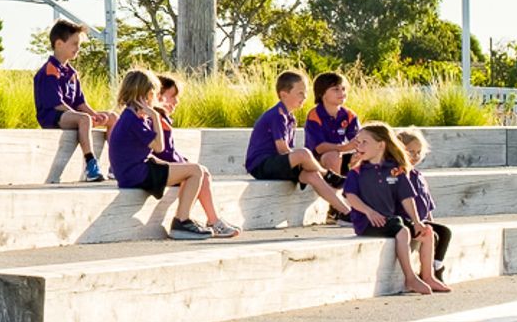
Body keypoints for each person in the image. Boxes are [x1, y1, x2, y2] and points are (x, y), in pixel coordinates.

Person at [108, 69, 239, 238]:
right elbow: (159, 147)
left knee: (198, 171)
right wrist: (155, 116)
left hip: (138, 169)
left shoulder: (135, 117)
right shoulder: (132, 119)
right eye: (153, 94)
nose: (156, 98)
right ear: (145, 95)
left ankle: (199, 220)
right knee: (196, 171)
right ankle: (181, 221)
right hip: (134, 174)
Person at [343, 122, 445, 294]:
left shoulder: (395, 170)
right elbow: (350, 196)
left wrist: (417, 222)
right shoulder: (357, 171)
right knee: (402, 230)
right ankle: (410, 278)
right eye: (358, 142)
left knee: (427, 232)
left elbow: (406, 198)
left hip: (389, 220)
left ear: (381, 145)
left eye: (364, 142)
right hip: (368, 222)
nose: (359, 146)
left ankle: (428, 276)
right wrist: (369, 211)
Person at [243, 69, 351, 217]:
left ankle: (345, 211)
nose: (305, 96)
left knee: (312, 175)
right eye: (300, 93)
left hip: (280, 164)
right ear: (284, 95)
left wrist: (304, 164)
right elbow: (283, 150)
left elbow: (289, 150)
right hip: (262, 165)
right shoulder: (277, 115)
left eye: (305, 93)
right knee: (304, 153)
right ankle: (329, 175)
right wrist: (303, 159)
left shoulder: (291, 118)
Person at [33, 19, 111, 182]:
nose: (78, 49)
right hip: (53, 116)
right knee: (84, 119)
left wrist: (95, 114)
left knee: (112, 117)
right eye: (74, 44)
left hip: (70, 114)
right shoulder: (50, 70)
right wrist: (85, 117)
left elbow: (80, 102)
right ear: (59, 44)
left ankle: (115, 165)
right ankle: (91, 165)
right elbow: (57, 104)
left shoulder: (72, 72)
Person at [393, 127, 454, 293]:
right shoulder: (398, 174)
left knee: (445, 232)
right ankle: (427, 274)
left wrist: (430, 219)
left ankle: (437, 266)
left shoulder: (418, 175)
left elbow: (426, 203)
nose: (415, 156)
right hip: (406, 219)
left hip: (421, 218)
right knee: (430, 234)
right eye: (410, 152)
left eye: (418, 152)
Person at [304, 72, 362, 177]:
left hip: (341, 155)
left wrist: (358, 153)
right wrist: (345, 147)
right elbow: (319, 148)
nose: (342, 93)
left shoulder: (349, 115)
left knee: (363, 156)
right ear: (322, 94)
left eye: (343, 89)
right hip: (317, 160)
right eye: (336, 89)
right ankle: (335, 191)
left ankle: (354, 191)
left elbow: (358, 139)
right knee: (332, 156)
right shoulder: (314, 115)